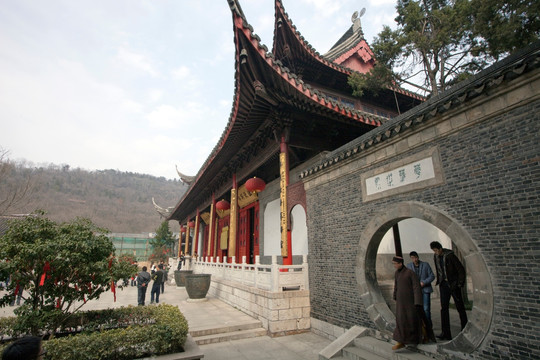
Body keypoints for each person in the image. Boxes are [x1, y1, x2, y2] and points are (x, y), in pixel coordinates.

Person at [430, 241, 468, 340]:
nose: (435, 252)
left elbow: (461, 270)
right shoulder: (436, 257)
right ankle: (446, 332)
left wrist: (459, 284)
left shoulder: (450, 256)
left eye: (436, 250)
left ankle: (465, 329)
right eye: (434, 251)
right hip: (443, 284)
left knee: (460, 307)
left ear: (440, 249)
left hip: (453, 284)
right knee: (444, 308)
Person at [391, 256, 423, 351]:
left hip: (410, 302)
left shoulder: (410, 273)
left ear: (400, 263)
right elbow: (396, 285)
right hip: (401, 302)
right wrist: (395, 295)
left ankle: (412, 340)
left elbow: (416, 287)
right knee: (400, 320)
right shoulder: (397, 273)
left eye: (395, 264)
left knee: (410, 320)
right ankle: (401, 340)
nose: (394, 266)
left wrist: (417, 301)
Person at [406, 251, 435, 326]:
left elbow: (432, 276)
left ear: (418, 257)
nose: (415, 259)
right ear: (411, 258)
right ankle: (420, 327)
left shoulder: (425, 265)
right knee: (416, 309)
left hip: (425, 289)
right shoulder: (409, 266)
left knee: (426, 309)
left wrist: (424, 282)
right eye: (413, 258)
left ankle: (428, 326)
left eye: (416, 257)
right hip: (415, 290)